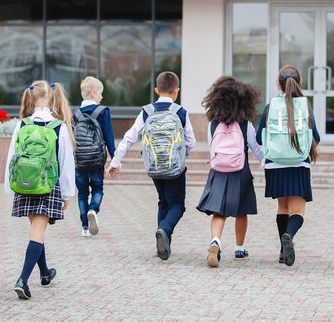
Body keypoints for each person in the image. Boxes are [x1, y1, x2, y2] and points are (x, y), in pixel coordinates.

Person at [106, 72, 196, 260]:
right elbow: (192, 142)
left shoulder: (146, 112)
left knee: (163, 201)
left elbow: (129, 138)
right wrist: (179, 153)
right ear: (176, 91)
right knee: (177, 206)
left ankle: (161, 246)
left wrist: (114, 162)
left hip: (154, 167)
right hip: (175, 168)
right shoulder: (181, 112)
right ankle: (163, 230)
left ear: (156, 90)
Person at [4, 80, 75, 299]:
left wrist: (10, 186)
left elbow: (11, 158)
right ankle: (22, 280)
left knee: (38, 230)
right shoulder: (58, 126)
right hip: (47, 185)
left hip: (24, 185)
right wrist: (66, 192)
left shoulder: (22, 125)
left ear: (31, 98)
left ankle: (45, 273)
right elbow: (65, 162)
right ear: (53, 99)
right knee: (37, 232)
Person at [196, 76, 263, 267]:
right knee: (242, 211)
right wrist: (266, 163)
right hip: (240, 171)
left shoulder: (213, 124)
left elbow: (212, 148)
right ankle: (239, 249)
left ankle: (215, 241)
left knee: (219, 212)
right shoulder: (245, 124)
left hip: (219, 171)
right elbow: (256, 148)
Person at [256, 65, 320, 267]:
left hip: (275, 163)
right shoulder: (305, 107)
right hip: (299, 162)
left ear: (278, 85)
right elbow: (315, 137)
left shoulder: (270, 106)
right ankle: (289, 236)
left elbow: (259, 138)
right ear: (299, 84)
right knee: (297, 211)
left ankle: (283, 252)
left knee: (282, 206)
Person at [74, 77, 115, 237]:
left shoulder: (76, 114)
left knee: (83, 193)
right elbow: (109, 137)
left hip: (80, 162)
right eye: (100, 93)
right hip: (96, 161)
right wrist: (115, 159)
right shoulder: (103, 112)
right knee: (97, 188)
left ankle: (85, 227)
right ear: (93, 94)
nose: (102, 97)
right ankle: (93, 209)